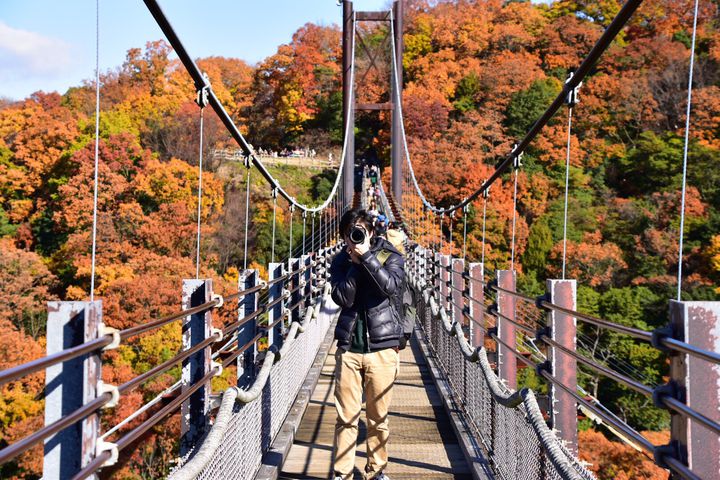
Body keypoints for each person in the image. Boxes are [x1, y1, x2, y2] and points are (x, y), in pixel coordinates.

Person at [329, 209, 405, 480]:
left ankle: (377, 471)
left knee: (378, 419)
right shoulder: (340, 261)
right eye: (350, 234)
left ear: (372, 232)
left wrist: (368, 258)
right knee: (346, 418)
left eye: (360, 232)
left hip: (382, 350)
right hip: (349, 349)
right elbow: (343, 298)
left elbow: (390, 288)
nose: (355, 238)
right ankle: (342, 473)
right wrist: (354, 263)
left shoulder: (390, 256)